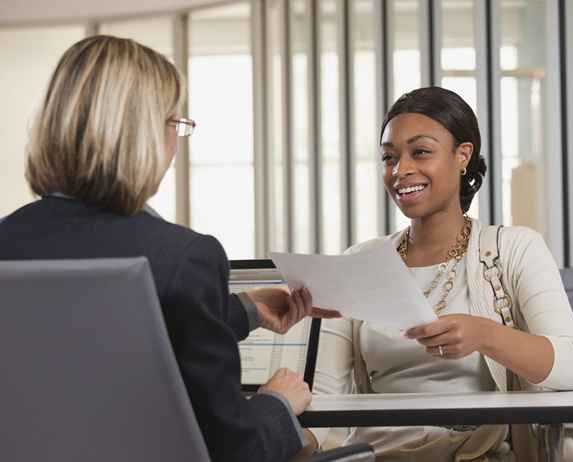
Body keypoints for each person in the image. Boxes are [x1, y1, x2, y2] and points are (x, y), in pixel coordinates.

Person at [0, 35, 340, 462]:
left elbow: (87, 339)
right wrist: (276, 404)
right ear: (143, 135)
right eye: (174, 125)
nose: (175, 145)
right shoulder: (184, 257)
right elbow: (233, 449)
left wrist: (246, 310)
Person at [309, 87, 573, 461]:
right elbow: (322, 398)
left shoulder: (514, 248)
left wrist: (486, 335)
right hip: (379, 455)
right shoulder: (360, 261)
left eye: (420, 152)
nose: (401, 170)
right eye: (389, 157)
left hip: (478, 454)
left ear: (463, 155)